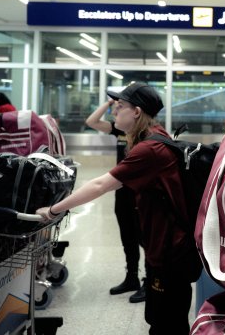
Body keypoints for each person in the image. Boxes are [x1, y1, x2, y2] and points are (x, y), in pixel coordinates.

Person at [37, 82, 201, 335]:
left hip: (171, 250)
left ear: (136, 112)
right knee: (164, 319)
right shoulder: (154, 136)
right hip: (169, 245)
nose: (114, 112)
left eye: (120, 106)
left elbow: (101, 184)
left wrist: (53, 210)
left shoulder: (150, 148)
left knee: (166, 322)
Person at [84, 98, 146, 303]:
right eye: (116, 108)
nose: (115, 112)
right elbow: (91, 121)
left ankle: (150, 280)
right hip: (121, 189)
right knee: (127, 235)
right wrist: (109, 102)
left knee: (143, 237)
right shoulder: (119, 130)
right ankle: (131, 277)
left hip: (140, 192)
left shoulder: (145, 134)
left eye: (120, 108)